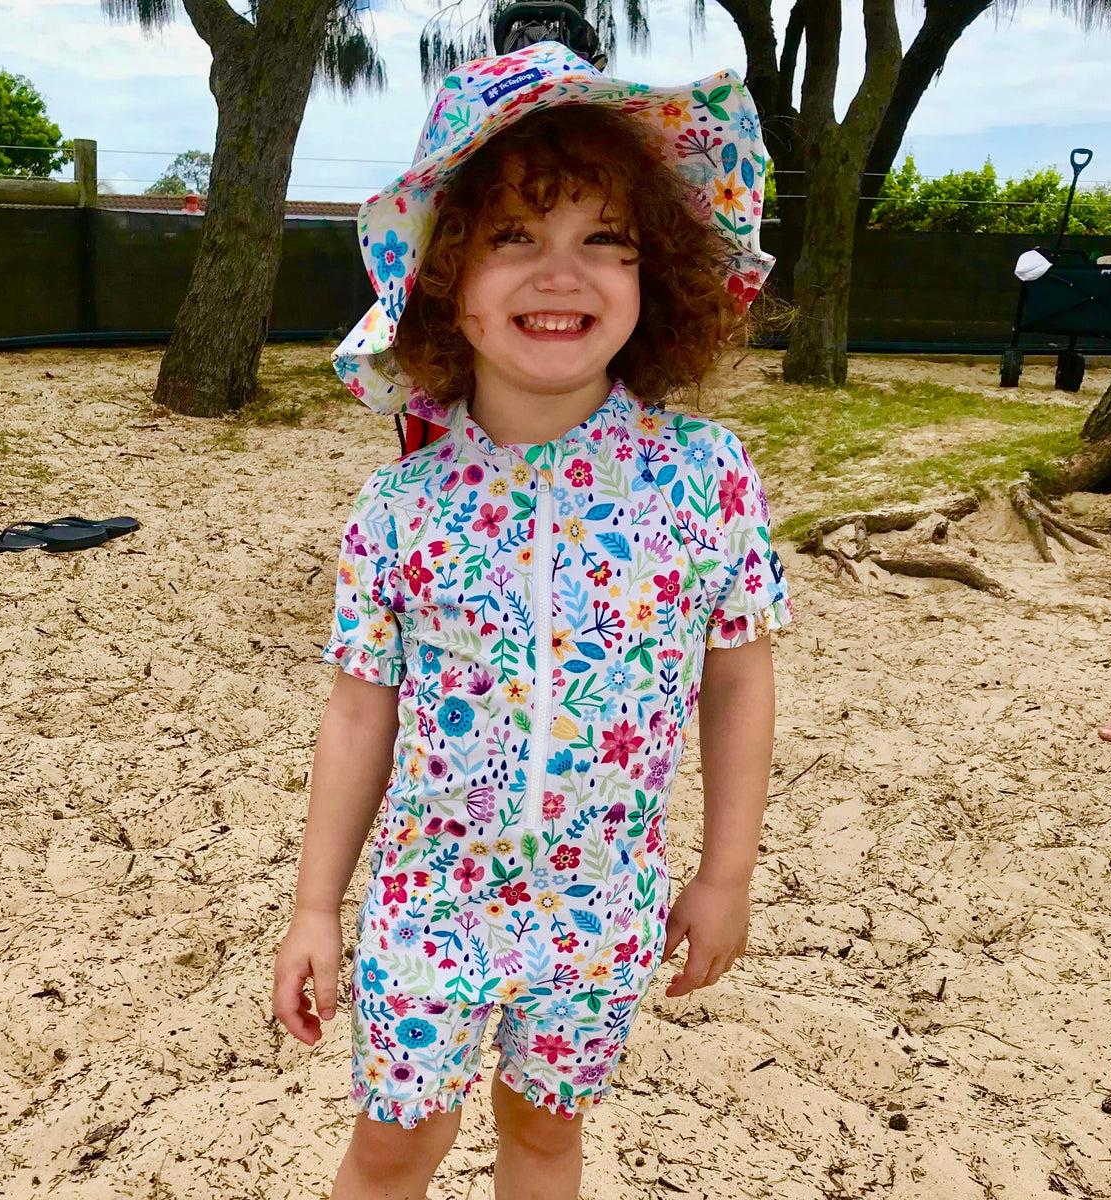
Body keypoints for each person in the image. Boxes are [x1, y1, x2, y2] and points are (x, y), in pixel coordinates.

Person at [271, 40, 792, 1200]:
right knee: (395, 1144)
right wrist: (317, 906)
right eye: (516, 237)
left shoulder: (706, 474)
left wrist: (725, 874)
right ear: (446, 279)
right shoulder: (402, 504)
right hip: (428, 902)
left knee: (547, 1138)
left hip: (603, 904)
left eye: (604, 242)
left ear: (654, 276)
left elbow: (741, 679)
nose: (563, 274)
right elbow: (359, 712)